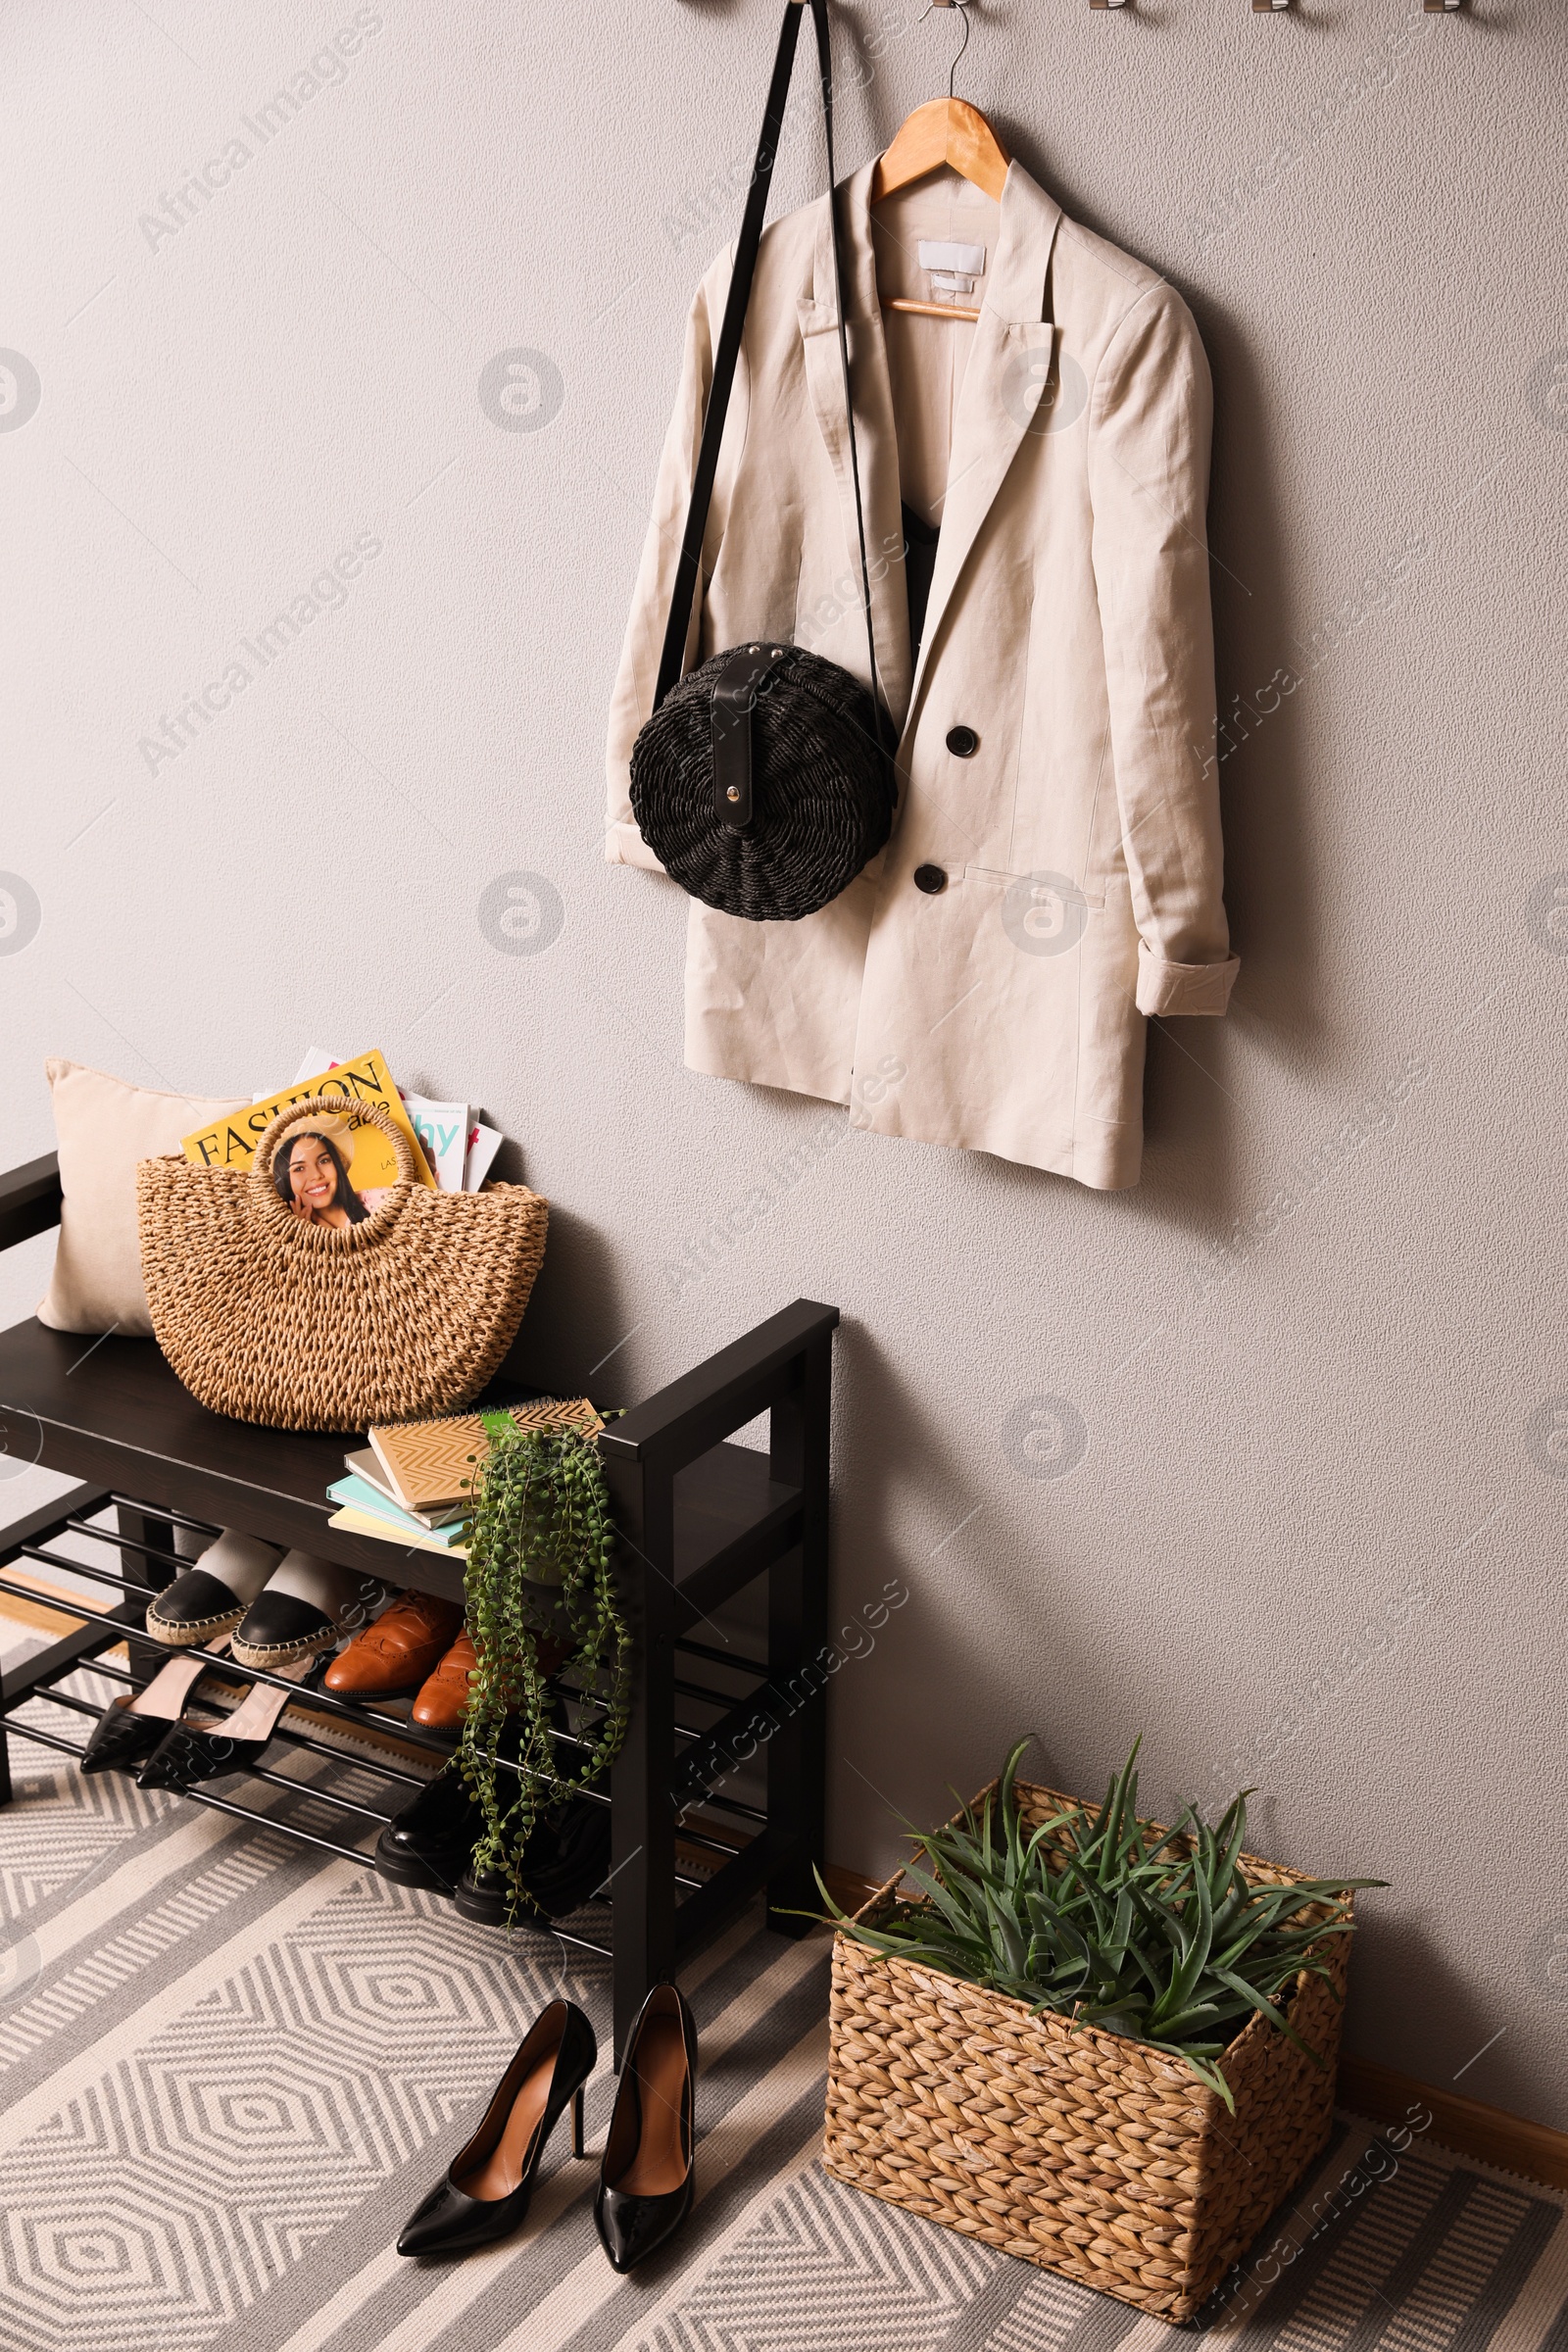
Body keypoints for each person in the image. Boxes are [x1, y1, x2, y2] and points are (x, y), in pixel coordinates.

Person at [272, 1120, 370, 1228]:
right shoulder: (281, 1236)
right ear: (284, 1180)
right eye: (299, 1168)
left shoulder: (379, 1203)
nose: (316, 1175)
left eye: (323, 1161)